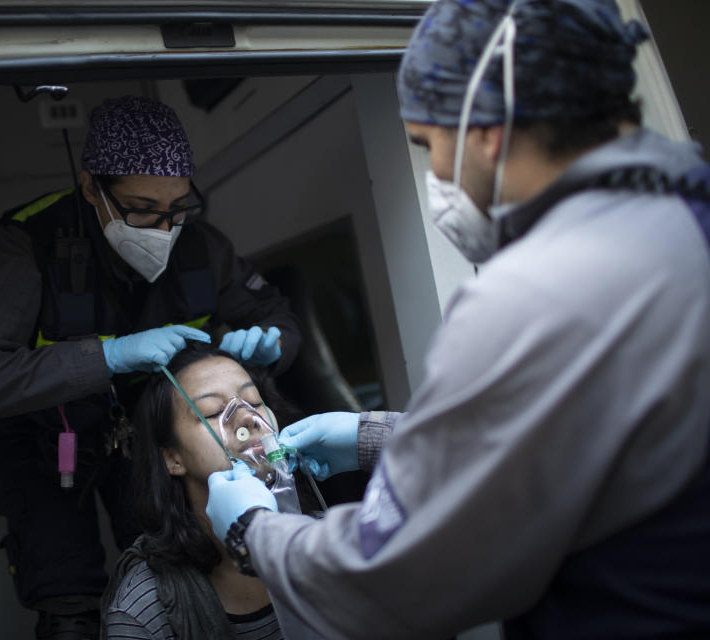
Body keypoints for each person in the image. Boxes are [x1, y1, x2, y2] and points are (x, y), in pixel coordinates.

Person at [204, 1, 710, 638]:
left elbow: (395, 581)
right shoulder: (683, 222)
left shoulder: (536, 294)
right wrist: (376, 435)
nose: (438, 175)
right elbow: (583, 430)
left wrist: (257, 532)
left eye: (427, 146)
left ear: (488, 132)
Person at [0, 96, 301, 639]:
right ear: (91, 188)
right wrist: (106, 357)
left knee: (178, 566)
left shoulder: (201, 245)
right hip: (47, 441)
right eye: (142, 208)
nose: (163, 226)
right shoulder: (27, 247)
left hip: (149, 443)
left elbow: (277, 319)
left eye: (177, 206)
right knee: (66, 595)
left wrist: (272, 345)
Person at [102, 343, 315, 639]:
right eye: (213, 412)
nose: (247, 420)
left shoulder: (330, 541)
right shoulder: (144, 612)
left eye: (254, 401)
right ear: (173, 458)